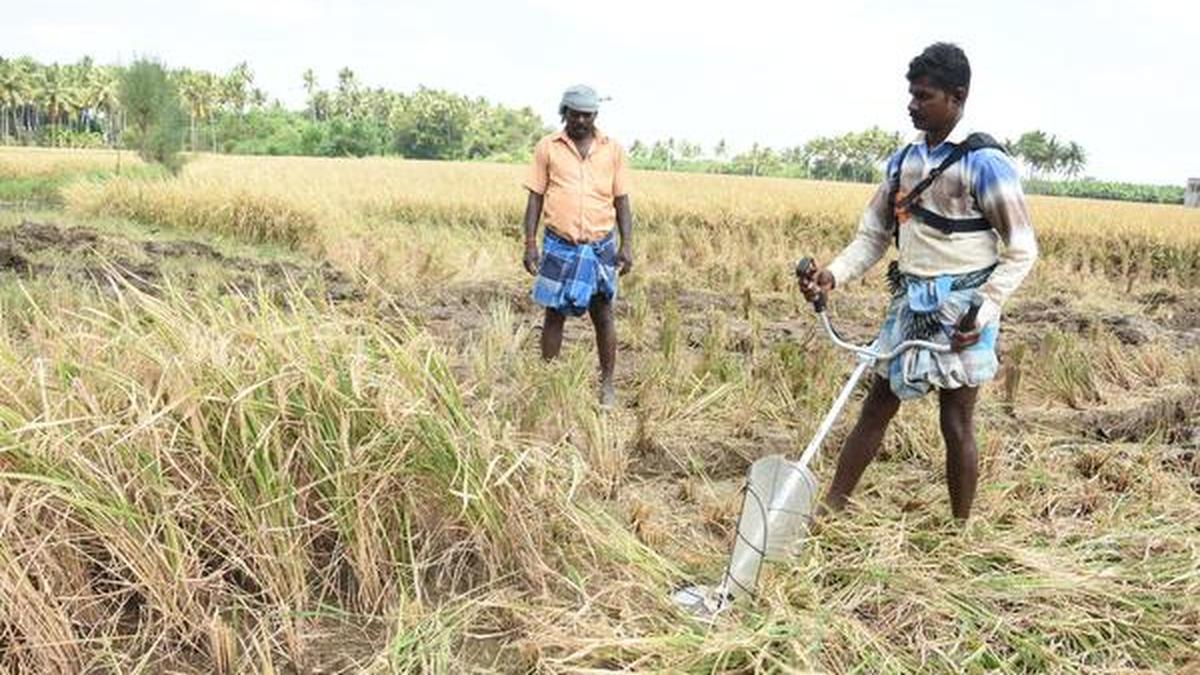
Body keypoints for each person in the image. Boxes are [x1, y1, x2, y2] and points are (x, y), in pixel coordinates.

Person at [798, 43, 1038, 520]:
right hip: (911, 301)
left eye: (923, 96)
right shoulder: (903, 162)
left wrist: (983, 309)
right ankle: (830, 511)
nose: (912, 104)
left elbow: (1022, 249)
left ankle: (960, 531)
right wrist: (834, 274)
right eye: (910, 94)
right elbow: (873, 236)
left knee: (957, 421)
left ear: (957, 96)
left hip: (965, 307)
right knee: (876, 406)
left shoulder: (985, 163)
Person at [522, 84, 633, 407]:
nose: (581, 121)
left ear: (595, 115)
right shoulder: (548, 148)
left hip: (600, 245)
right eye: (575, 114)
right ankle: (547, 382)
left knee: (603, 313)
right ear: (564, 113)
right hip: (560, 243)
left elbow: (622, 200)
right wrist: (530, 243)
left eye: (588, 115)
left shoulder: (612, 150)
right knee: (554, 313)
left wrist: (627, 245)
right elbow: (535, 198)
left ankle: (607, 385)